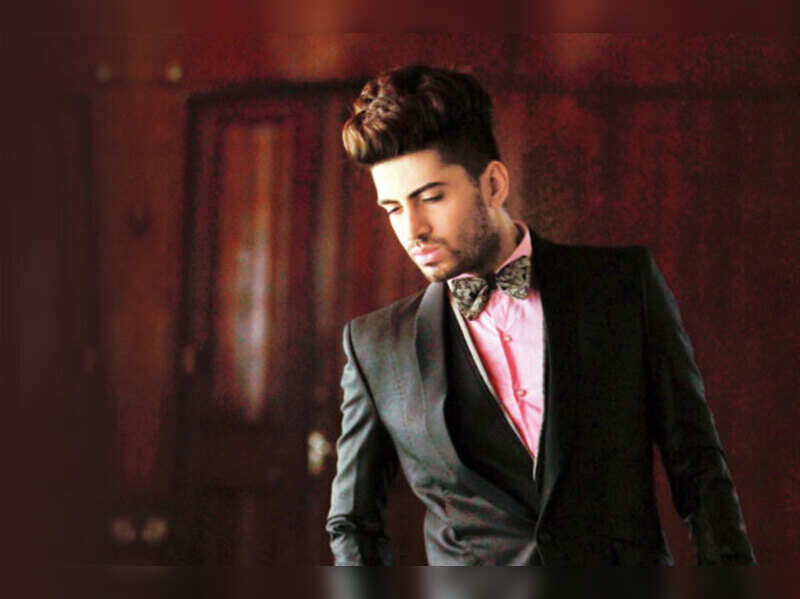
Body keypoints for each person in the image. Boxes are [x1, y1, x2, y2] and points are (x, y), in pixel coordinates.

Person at [325, 64, 756, 565]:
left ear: (493, 184)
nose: (413, 230)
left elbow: (699, 469)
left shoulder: (622, 287)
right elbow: (352, 523)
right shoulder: (375, 344)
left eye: (432, 198)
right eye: (394, 208)